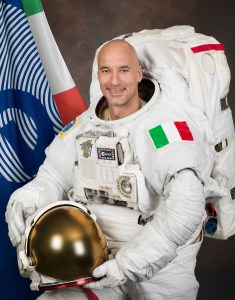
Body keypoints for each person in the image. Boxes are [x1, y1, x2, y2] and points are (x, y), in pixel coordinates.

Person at [6, 39, 213, 299]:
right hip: (95, 257)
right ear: (98, 75)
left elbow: (188, 203)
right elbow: (53, 176)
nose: (114, 81)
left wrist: (130, 263)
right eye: (106, 71)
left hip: (161, 264)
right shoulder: (84, 126)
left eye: (124, 70)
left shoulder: (163, 128)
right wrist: (26, 200)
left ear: (139, 74)